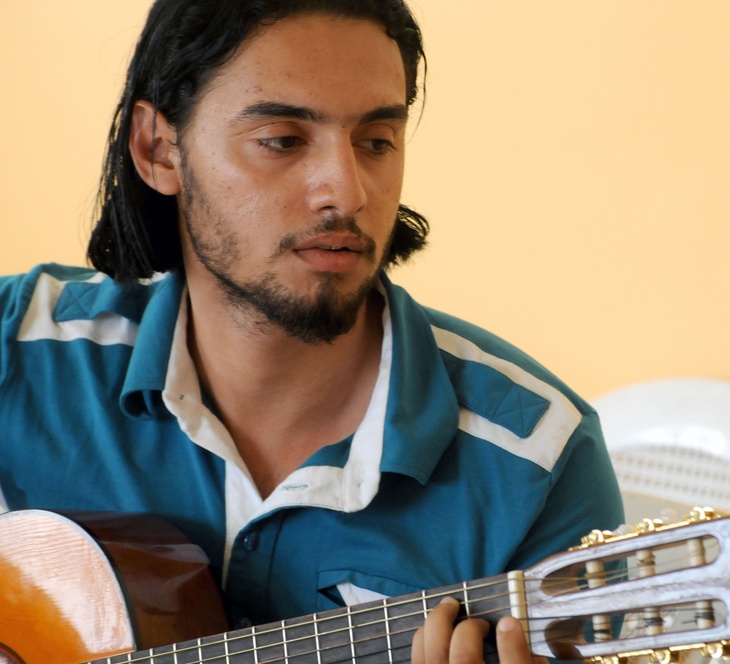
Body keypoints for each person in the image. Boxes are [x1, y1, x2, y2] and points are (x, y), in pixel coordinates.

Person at [0, 1, 624, 662]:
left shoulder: (538, 463)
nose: (346, 191)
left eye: (376, 141)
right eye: (283, 139)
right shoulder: (17, 345)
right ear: (159, 148)